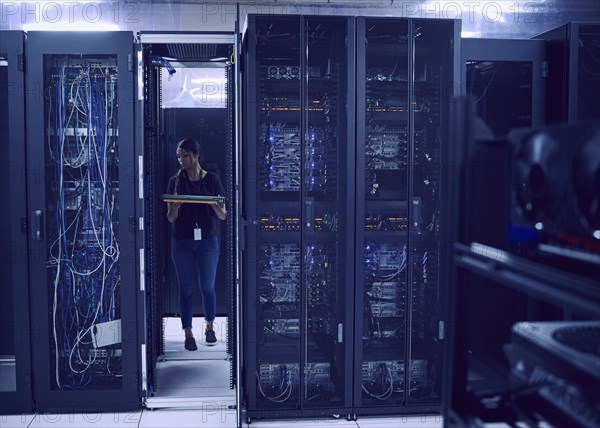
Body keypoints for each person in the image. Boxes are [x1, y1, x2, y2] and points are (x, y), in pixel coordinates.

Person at [166, 138, 227, 351]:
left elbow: (222, 215)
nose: (181, 160)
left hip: (208, 241)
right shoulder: (175, 181)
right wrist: (175, 207)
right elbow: (171, 218)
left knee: (207, 287)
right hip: (182, 241)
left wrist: (212, 203)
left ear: (195, 156)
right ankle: (188, 332)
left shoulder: (212, 180)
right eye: (178, 156)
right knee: (186, 289)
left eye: (184, 155)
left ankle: (210, 326)